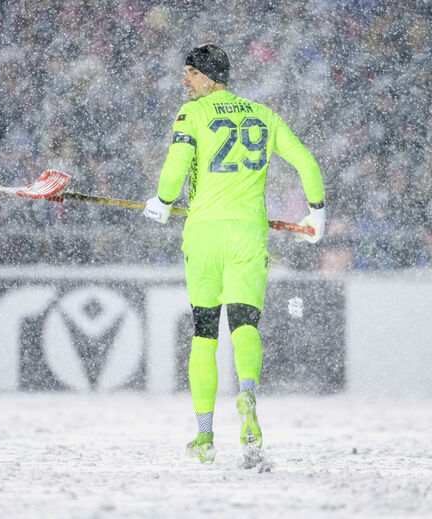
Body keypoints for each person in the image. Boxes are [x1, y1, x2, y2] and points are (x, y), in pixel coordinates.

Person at [143, 44, 325, 466]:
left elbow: (175, 168)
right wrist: (317, 214)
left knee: (204, 334)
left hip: (204, 236)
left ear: (208, 77)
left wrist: (162, 201)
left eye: (190, 72)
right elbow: (306, 162)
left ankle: (205, 437)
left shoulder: (193, 114)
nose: (184, 80)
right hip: (248, 235)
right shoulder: (263, 114)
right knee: (245, 325)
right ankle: (247, 396)